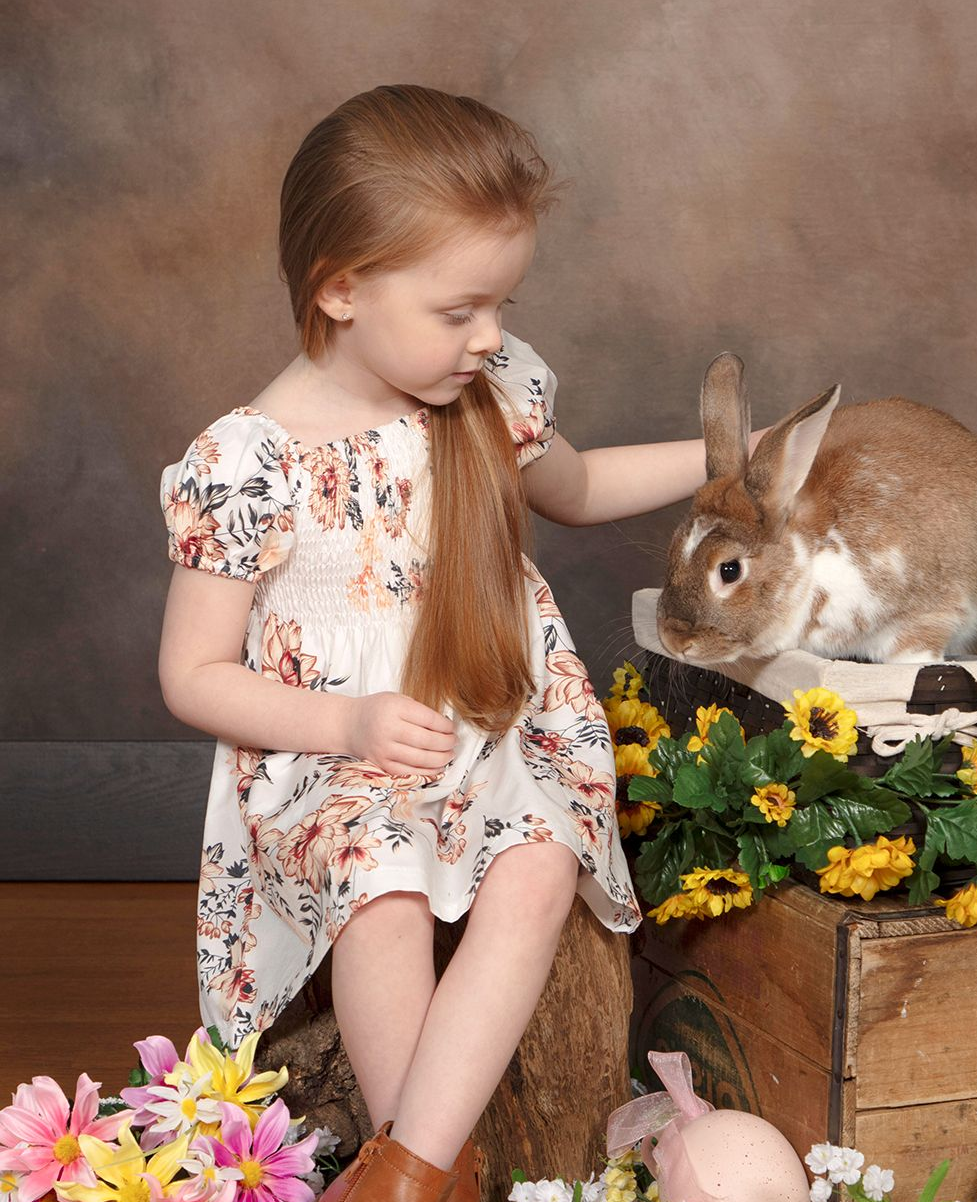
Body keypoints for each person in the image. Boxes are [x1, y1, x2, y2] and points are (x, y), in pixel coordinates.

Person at [157, 86, 766, 1202]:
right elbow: (191, 675)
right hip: (334, 758)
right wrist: (347, 722)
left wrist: (736, 458)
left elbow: (581, 487)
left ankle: (404, 1175)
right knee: (380, 887)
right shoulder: (250, 461)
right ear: (341, 288)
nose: (488, 335)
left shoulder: (487, 390)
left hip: (492, 727)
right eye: (458, 310)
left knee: (539, 863)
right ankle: (429, 1172)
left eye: (500, 304)